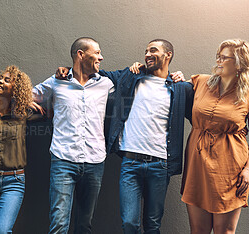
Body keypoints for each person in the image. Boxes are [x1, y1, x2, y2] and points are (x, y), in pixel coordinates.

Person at [58, 39, 194, 233]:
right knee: (129, 223)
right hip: (130, 164)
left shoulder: (181, 88)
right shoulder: (130, 77)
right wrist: (66, 70)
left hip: (160, 164)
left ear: (168, 55)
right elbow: (92, 73)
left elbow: (203, 114)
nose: (147, 54)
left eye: (153, 50)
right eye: (145, 50)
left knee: (153, 224)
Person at [33, 37, 114, 234]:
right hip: (63, 160)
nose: (101, 57)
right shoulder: (56, 82)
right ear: (80, 54)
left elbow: (134, 82)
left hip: (95, 161)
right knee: (59, 224)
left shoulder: (106, 84)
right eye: (96, 52)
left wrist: (176, 78)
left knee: (84, 225)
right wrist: (28, 101)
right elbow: (26, 94)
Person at [180, 39, 249, 234]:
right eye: (218, 56)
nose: (218, 61)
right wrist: (175, 76)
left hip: (230, 167)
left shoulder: (247, 93)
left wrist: (248, 170)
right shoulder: (201, 82)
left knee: (224, 231)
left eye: (224, 57)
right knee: (198, 230)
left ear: (239, 63)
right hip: (197, 163)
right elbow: (171, 87)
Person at [0, 65, 41, 234]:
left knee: (2, 230)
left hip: (14, 181)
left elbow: (50, 110)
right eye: (0, 78)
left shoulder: (24, 113)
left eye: (6, 80)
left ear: (16, 89)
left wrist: (26, 101)